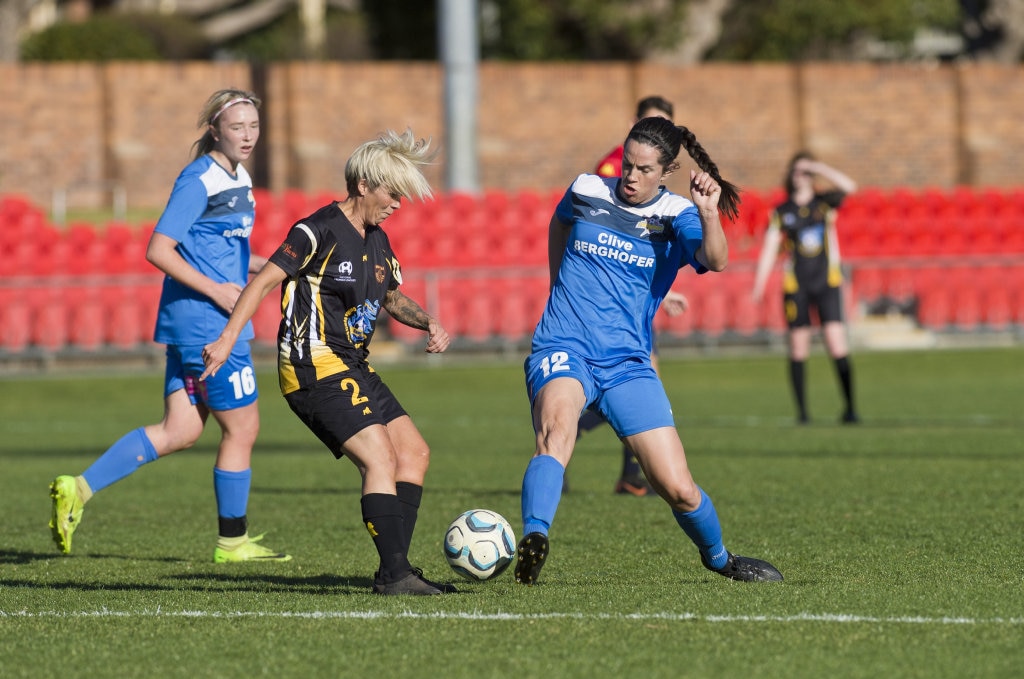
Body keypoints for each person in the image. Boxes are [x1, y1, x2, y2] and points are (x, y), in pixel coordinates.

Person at [514, 116, 784, 586]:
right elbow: (560, 226)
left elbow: (716, 260)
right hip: (563, 347)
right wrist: (558, 283)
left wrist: (707, 211)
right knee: (557, 432)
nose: (631, 178)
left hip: (627, 364)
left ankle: (720, 559)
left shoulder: (677, 214)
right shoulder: (586, 188)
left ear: (666, 171)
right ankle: (534, 541)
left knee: (677, 487)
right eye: (627, 164)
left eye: (643, 170)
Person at [200, 129, 456, 596]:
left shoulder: (378, 240)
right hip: (311, 365)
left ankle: (395, 569)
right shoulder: (315, 231)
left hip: (354, 365)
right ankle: (398, 576)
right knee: (379, 458)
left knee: (414, 454)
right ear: (363, 185)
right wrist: (226, 338)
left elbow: (392, 297)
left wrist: (428, 321)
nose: (397, 203)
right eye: (391, 192)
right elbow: (261, 284)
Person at [48, 89, 291, 563]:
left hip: (195, 322)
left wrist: (278, 269)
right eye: (237, 126)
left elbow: (226, 255)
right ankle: (233, 542)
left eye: (254, 126)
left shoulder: (237, 177)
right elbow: (158, 249)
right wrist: (219, 291)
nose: (247, 135)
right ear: (215, 130)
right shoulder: (199, 179)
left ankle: (77, 489)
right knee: (242, 430)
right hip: (210, 324)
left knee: (179, 430)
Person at [578, 94, 686, 497]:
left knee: (641, 379)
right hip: (610, 298)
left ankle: (631, 475)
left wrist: (665, 287)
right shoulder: (615, 168)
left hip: (637, 297)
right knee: (637, 379)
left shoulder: (663, 175)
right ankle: (570, 433)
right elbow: (618, 232)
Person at [751, 152, 859, 425]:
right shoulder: (781, 211)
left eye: (806, 171)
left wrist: (819, 166)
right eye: (797, 171)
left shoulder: (824, 203)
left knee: (836, 342)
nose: (801, 176)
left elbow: (851, 187)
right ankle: (803, 413)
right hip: (796, 285)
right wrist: (759, 284)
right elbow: (770, 248)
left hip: (826, 282)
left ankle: (850, 408)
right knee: (798, 347)